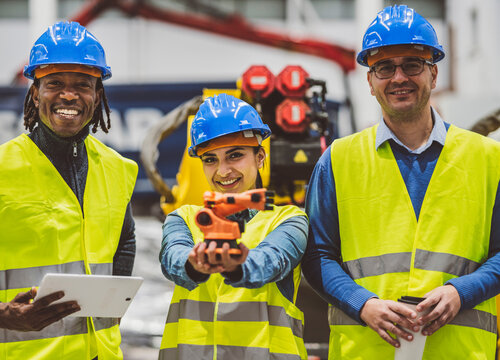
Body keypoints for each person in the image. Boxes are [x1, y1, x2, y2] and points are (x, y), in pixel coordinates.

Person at [303, 4, 500, 359]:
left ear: (434, 74)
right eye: (384, 68)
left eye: (412, 64)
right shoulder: (337, 160)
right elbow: (317, 255)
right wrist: (362, 304)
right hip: (366, 352)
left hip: (459, 352)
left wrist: (462, 292)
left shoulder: (489, 159)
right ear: (370, 81)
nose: (398, 78)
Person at [0, 21, 138, 359]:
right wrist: (0, 313)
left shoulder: (118, 169)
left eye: (83, 85)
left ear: (97, 95)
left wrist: (112, 299)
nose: (69, 95)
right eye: (55, 83)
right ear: (35, 93)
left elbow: (124, 239)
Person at [158, 94, 309, 360]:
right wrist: (194, 264)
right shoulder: (183, 218)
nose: (223, 171)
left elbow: (272, 260)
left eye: (235, 155)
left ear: (260, 157)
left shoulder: (289, 219)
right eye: (210, 159)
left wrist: (237, 264)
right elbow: (174, 258)